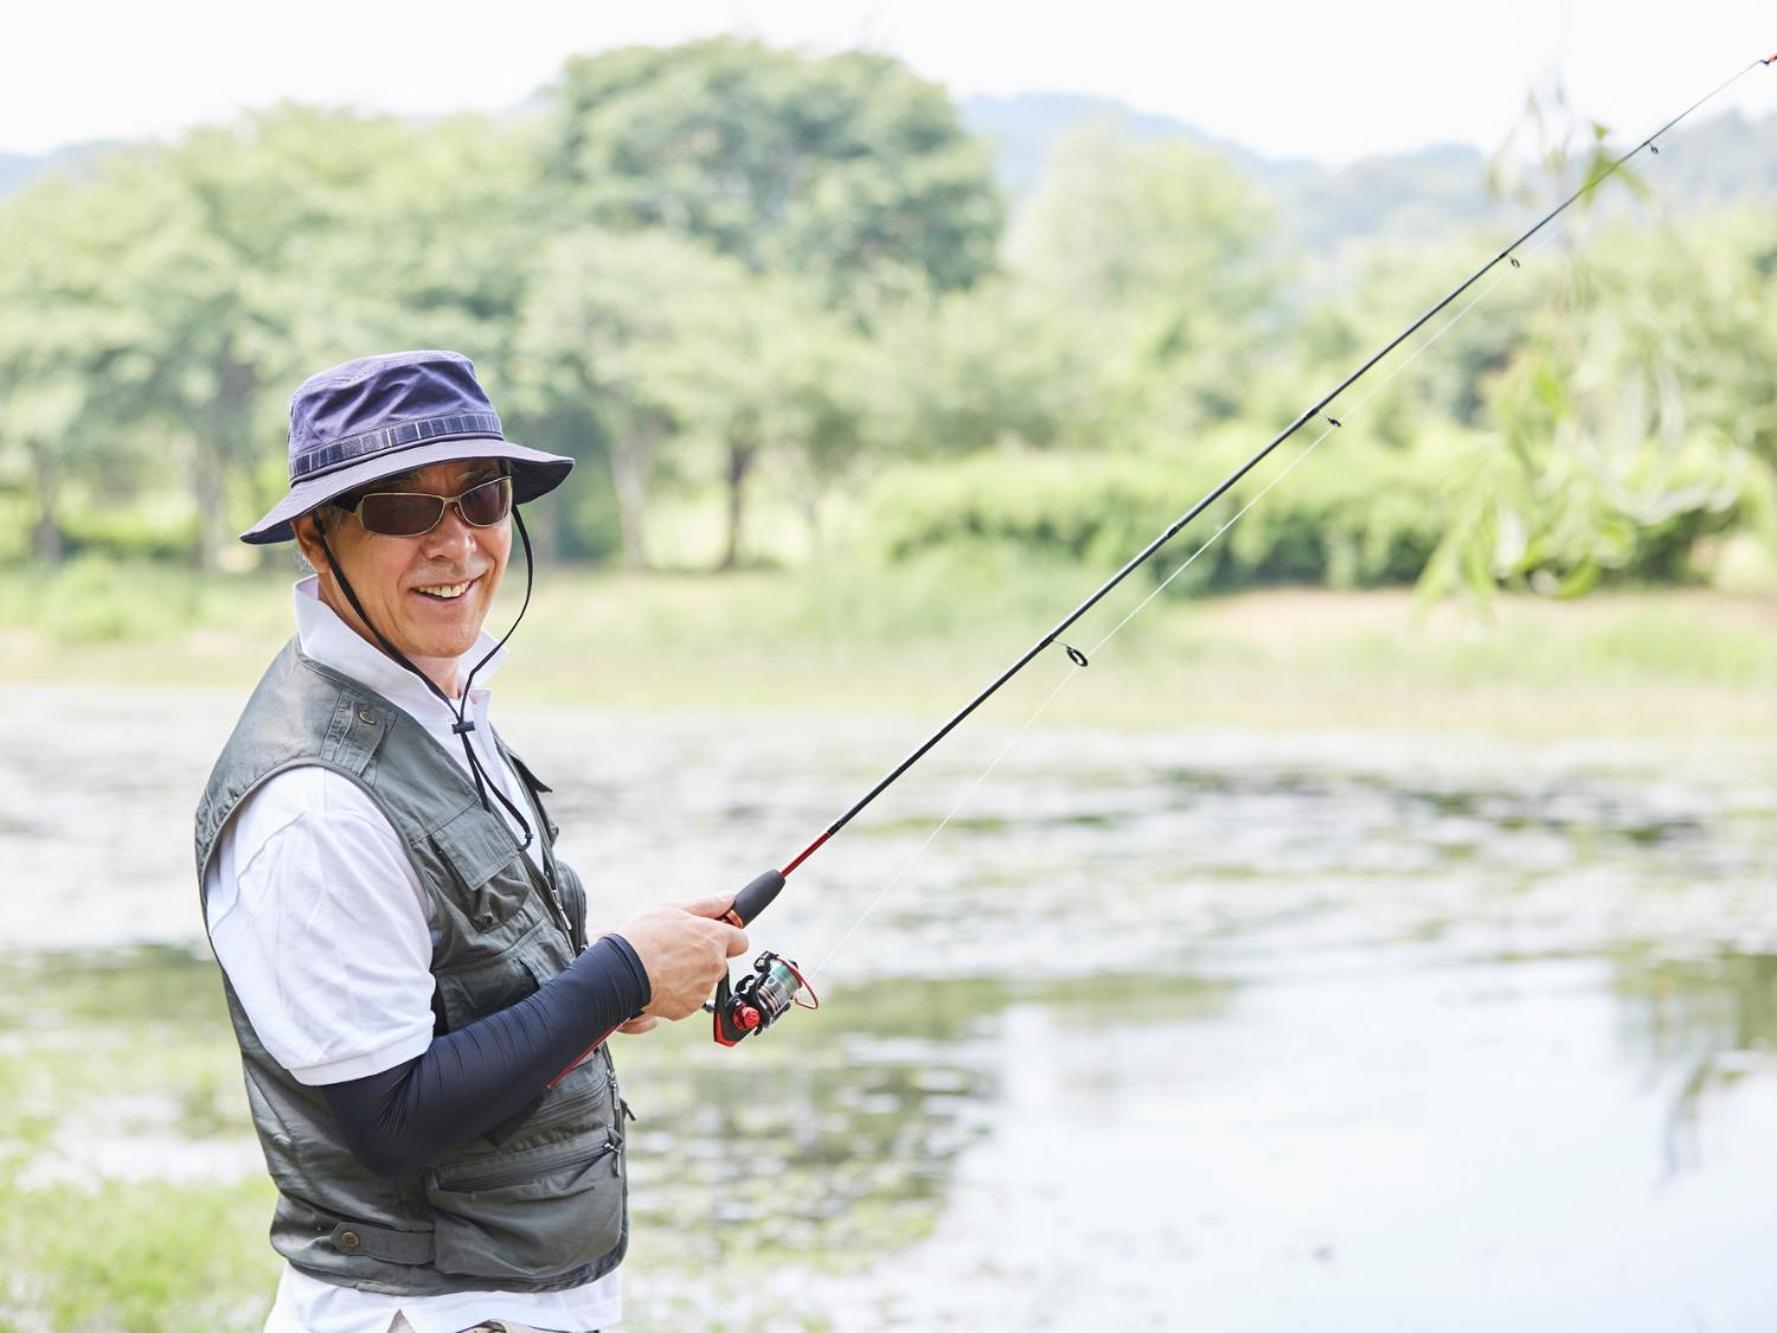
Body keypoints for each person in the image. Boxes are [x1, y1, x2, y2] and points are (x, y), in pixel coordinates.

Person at [194, 350, 748, 1333]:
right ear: (317, 541)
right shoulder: (313, 803)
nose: (457, 544)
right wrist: (617, 976)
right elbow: (388, 1119)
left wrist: (627, 977)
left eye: (481, 499)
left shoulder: (434, 700)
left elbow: (457, 987)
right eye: (406, 509)